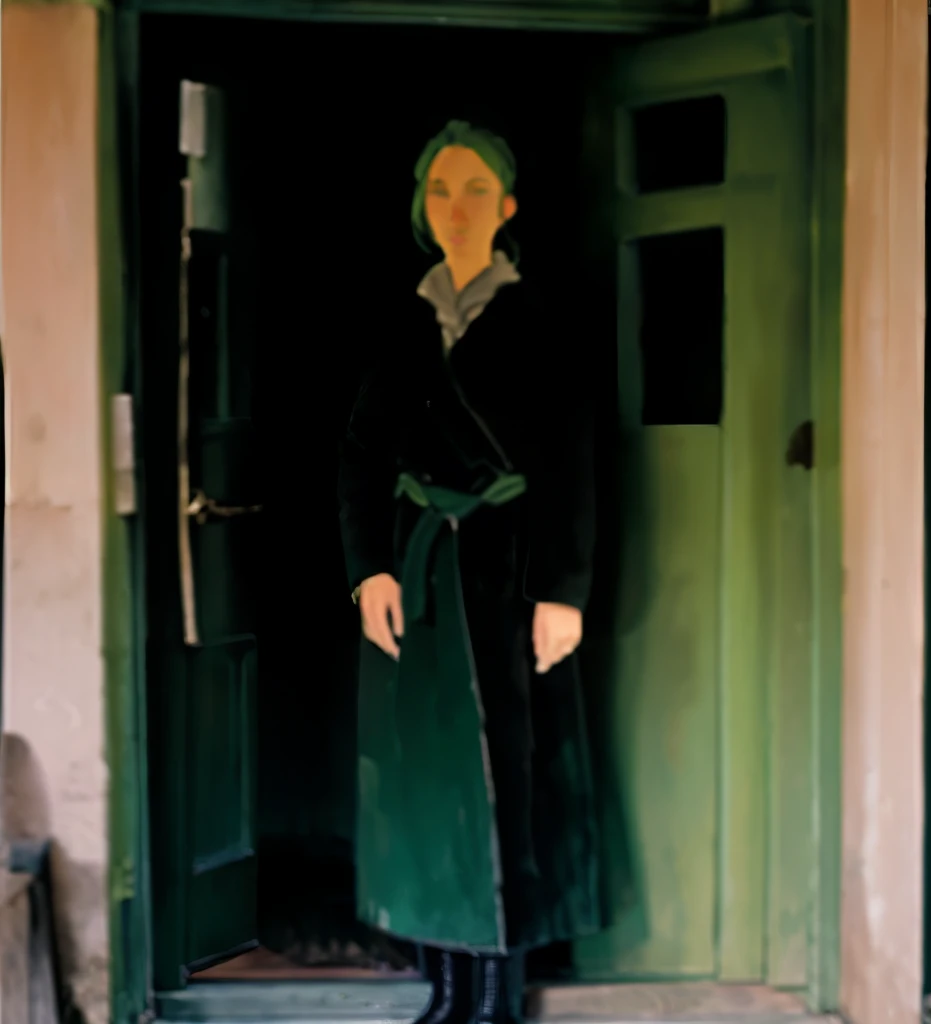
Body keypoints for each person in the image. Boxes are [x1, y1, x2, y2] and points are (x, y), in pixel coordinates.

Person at [338, 119, 600, 1024]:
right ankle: (445, 991)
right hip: (424, 575)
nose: (457, 208)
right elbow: (363, 453)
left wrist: (562, 592)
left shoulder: (541, 318)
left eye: (476, 190)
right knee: (427, 782)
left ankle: (497, 998)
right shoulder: (403, 317)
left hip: (510, 568)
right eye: (441, 191)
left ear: (507, 207)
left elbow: (574, 462)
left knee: (510, 784)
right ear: (422, 207)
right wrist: (370, 570)